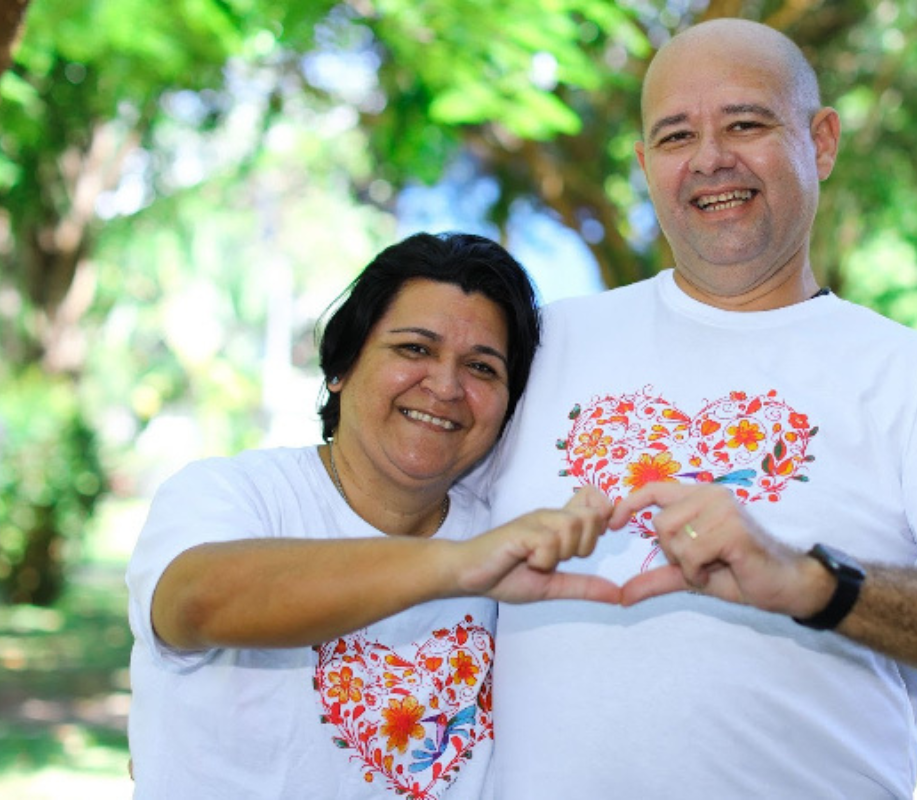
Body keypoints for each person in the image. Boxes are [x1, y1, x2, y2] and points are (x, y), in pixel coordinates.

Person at [481, 18, 917, 799]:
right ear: (646, 164)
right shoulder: (543, 344)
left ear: (821, 142)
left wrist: (813, 581)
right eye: (678, 135)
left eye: (746, 123)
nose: (711, 158)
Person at [125, 232, 618, 799]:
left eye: (482, 368)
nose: (445, 386)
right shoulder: (232, 494)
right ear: (340, 366)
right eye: (414, 349)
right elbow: (195, 601)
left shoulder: (510, 541)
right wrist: (453, 567)